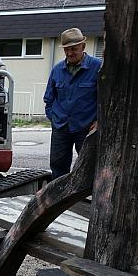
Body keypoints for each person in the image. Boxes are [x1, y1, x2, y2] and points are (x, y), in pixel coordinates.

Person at [43, 27, 102, 180]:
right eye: (67, 50)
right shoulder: (57, 70)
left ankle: (89, 200)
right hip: (61, 126)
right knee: (57, 165)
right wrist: (54, 118)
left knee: (89, 166)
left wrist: (99, 121)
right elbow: (49, 99)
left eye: (73, 49)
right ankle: (58, 200)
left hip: (86, 127)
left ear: (83, 46)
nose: (70, 53)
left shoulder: (98, 67)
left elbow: (106, 100)